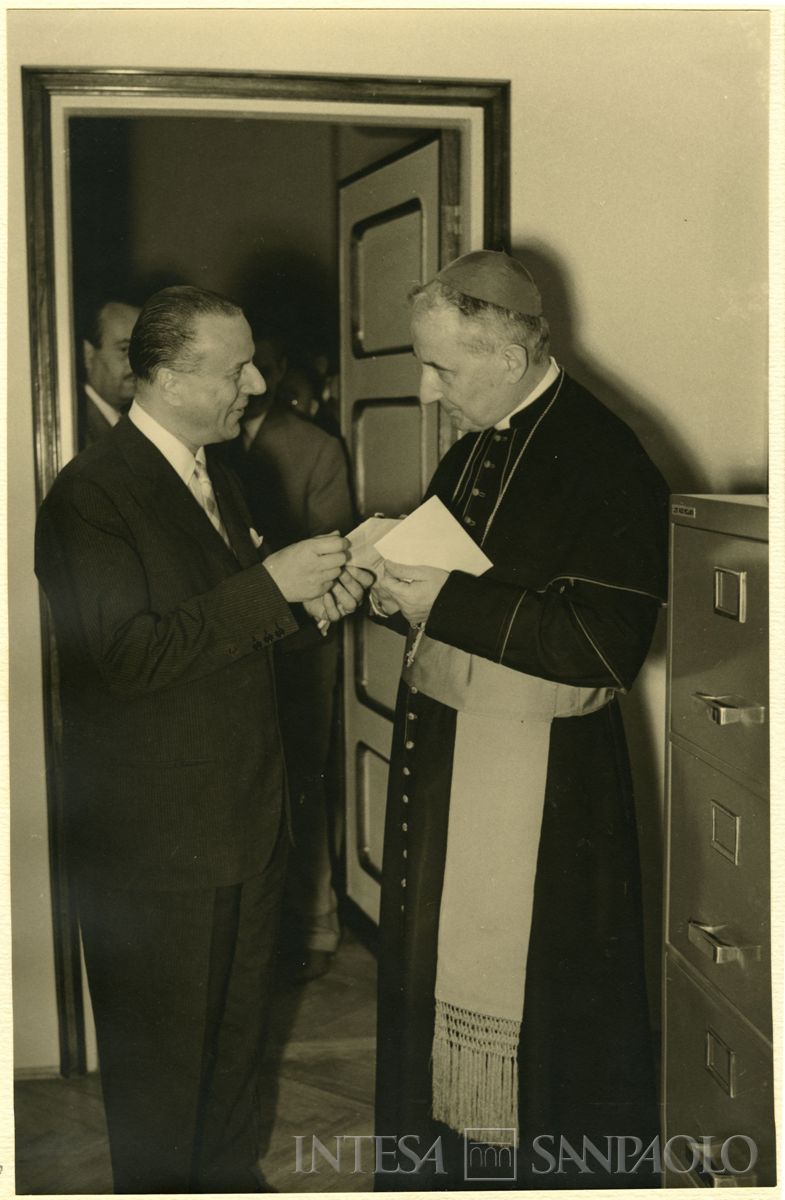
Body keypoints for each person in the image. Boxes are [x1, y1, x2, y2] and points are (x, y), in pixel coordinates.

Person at [34, 285, 369, 1194]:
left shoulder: (212, 471)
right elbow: (125, 659)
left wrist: (307, 609)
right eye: (235, 370)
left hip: (240, 819)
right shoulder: (92, 496)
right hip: (159, 841)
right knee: (164, 1062)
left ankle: (225, 1179)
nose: (255, 384)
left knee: (232, 1034)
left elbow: (215, 630)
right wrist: (272, 587)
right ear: (172, 379)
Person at [371, 251, 669, 1189]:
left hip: (546, 804)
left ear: (505, 351)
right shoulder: (479, 442)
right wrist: (384, 577)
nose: (426, 389)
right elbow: (445, 562)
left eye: (440, 368)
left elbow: (601, 645)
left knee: (546, 1040)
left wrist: (441, 605)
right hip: (456, 758)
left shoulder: (605, 457)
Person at [221, 326, 354, 982]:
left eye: (265, 367)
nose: (253, 382)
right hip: (232, 644)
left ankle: (315, 921)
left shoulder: (317, 447)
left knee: (303, 780)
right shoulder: (206, 448)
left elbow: (335, 554)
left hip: (301, 646)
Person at [79, 294, 141, 445]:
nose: (138, 362)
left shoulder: (132, 422)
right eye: (124, 349)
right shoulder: (76, 424)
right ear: (89, 353)